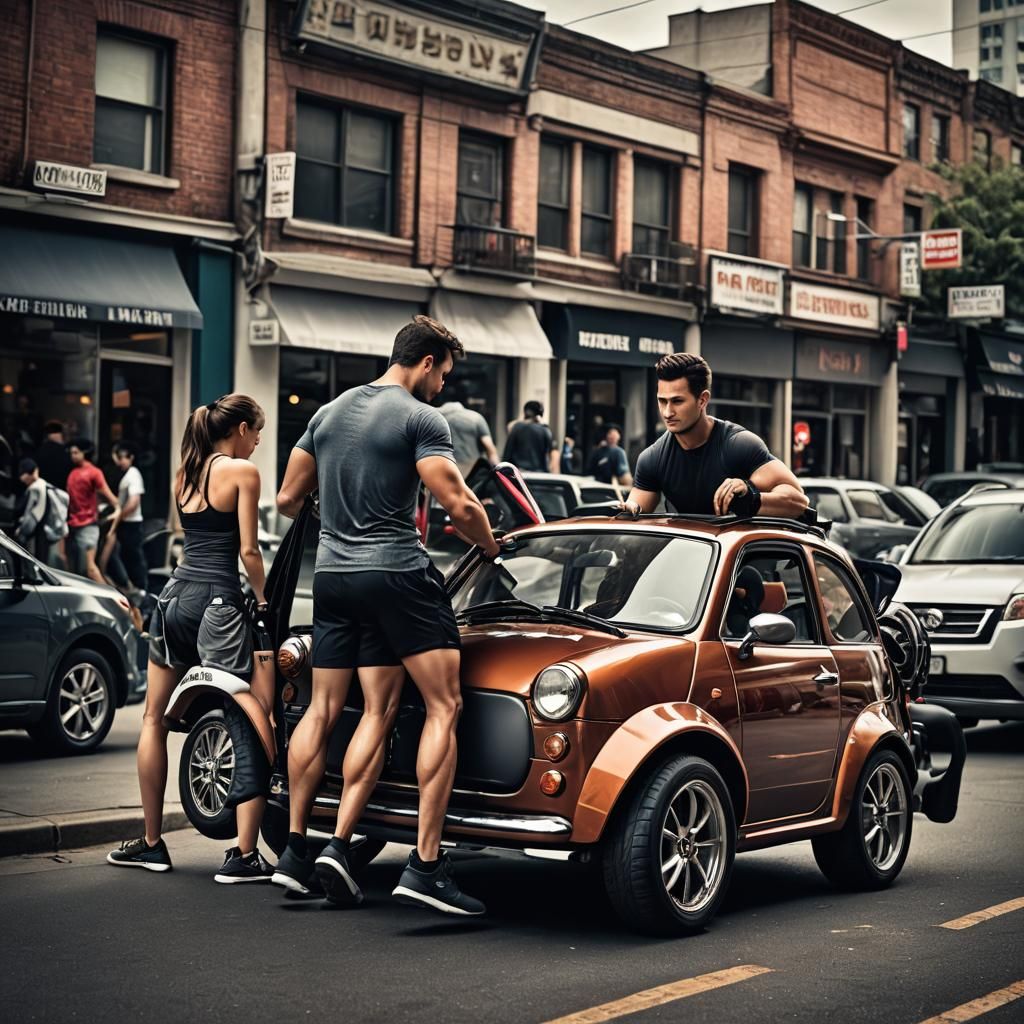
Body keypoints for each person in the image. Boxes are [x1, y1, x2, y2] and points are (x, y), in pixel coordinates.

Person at [274, 314, 501, 915]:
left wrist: (341, 522)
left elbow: (287, 499)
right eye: (444, 375)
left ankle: (305, 850)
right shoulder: (420, 417)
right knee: (442, 705)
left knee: (328, 709)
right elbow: (457, 501)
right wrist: (489, 543)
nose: (444, 387)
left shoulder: (329, 412)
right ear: (425, 362)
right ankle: (426, 865)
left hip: (333, 579)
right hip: (397, 574)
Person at [107, 394, 273, 881]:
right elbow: (247, 549)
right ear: (240, 428)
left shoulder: (185, 473)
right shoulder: (242, 474)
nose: (259, 442)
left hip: (173, 599)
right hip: (218, 604)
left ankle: (152, 843)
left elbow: (192, 536)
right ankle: (244, 856)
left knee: (153, 718)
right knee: (244, 715)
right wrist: (262, 601)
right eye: (257, 432)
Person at [621, 353, 808, 518]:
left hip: (744, 555)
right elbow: (636, 509)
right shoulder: (653, 459)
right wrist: (628, 510)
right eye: (662, 401)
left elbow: (799, 502)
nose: (667, 412)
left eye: (677, 401)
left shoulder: (738, 445)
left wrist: (750, 496)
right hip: (691, 553)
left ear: (702, 400)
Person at [66, 439, 120, 583]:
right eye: (71, 452)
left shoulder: (94, 473)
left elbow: (109, 497)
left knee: (90, 569)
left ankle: (114, 602)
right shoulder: (73, 472)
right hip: (73, 525)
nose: (72, 455)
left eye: (76, 452)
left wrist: (116, 512)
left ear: (85, 453)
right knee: (76, 572)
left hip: (88, 525)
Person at [110, 443, 149, 594]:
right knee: (127, 556)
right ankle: (133, 589)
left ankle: (141, 590)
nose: (119, 462)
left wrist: (119, 517)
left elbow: (133, 502)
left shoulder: (133, 474)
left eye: (122, 458)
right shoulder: (128, 474)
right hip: (127, 523)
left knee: (134, 557)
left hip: (131, 523)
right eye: (118, 458)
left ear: (131, 458)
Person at [437, 398, 498, 476]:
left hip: (444, 468)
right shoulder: (476, 418)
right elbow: (489, 447)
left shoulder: (436, 417)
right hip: (471, 470)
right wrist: (497, 471)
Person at [502, 400, 559, 473]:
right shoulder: (545, 430)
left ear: (525, 413)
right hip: (539, 475)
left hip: (519, 474)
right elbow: (554, 456)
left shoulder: (516, 428)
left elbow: (507, 454)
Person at [15, 458, 54, 563]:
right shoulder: (44, 485)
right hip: (44, 530)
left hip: (35, 533)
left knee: (34, 563)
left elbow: (33, 514)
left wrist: (22, 532)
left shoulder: (35, 488)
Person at [35, 420, 72, 488]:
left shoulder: (40, 450)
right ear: (61, 434)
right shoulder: (66, 451)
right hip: (61, 490)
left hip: (45, 488)